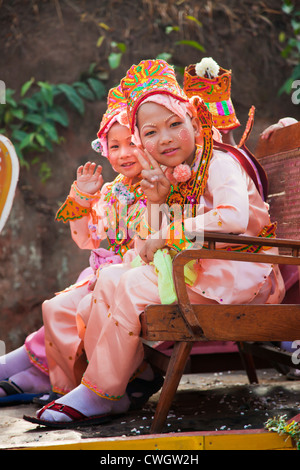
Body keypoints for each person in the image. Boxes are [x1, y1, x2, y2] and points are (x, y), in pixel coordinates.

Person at [24, 58, 285, 428]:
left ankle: (101, 391)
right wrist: (160, 203)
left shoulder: (219, 161)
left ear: (194, 122)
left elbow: (233, 219)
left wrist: (165, 233)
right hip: (199, 267)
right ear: (141, 140)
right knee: (111, 277)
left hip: (239, 274)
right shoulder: (170, 173)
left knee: (130, 283)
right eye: (150, 132)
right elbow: (151, 241)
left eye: (175, 124)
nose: (164, 138)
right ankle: (116, 382)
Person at [1, 85, 162, 406]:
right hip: (106, 273)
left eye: (132, 142)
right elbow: (86, 240)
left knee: (62, 308)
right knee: (55, 306)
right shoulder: (115, 191)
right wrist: (83, 197)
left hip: (136, 274)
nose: (123, 153)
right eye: (113, 146)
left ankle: (59, 384)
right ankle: (54, 381)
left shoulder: (160, 182)